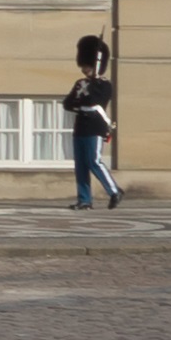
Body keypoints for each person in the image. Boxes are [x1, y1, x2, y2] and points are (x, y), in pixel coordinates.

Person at [64, 33, 120, 209]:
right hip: (80, 127)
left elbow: (94, 102)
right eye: (83, 67)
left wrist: (82, 100)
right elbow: (68, 103)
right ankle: (84, 200)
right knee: (80, 165)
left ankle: (114, 191)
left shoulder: (104, 85)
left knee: (94, 161)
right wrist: (81, 101)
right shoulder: (80, 83)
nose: (84, 70)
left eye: (87, 66)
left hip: (95, 127)